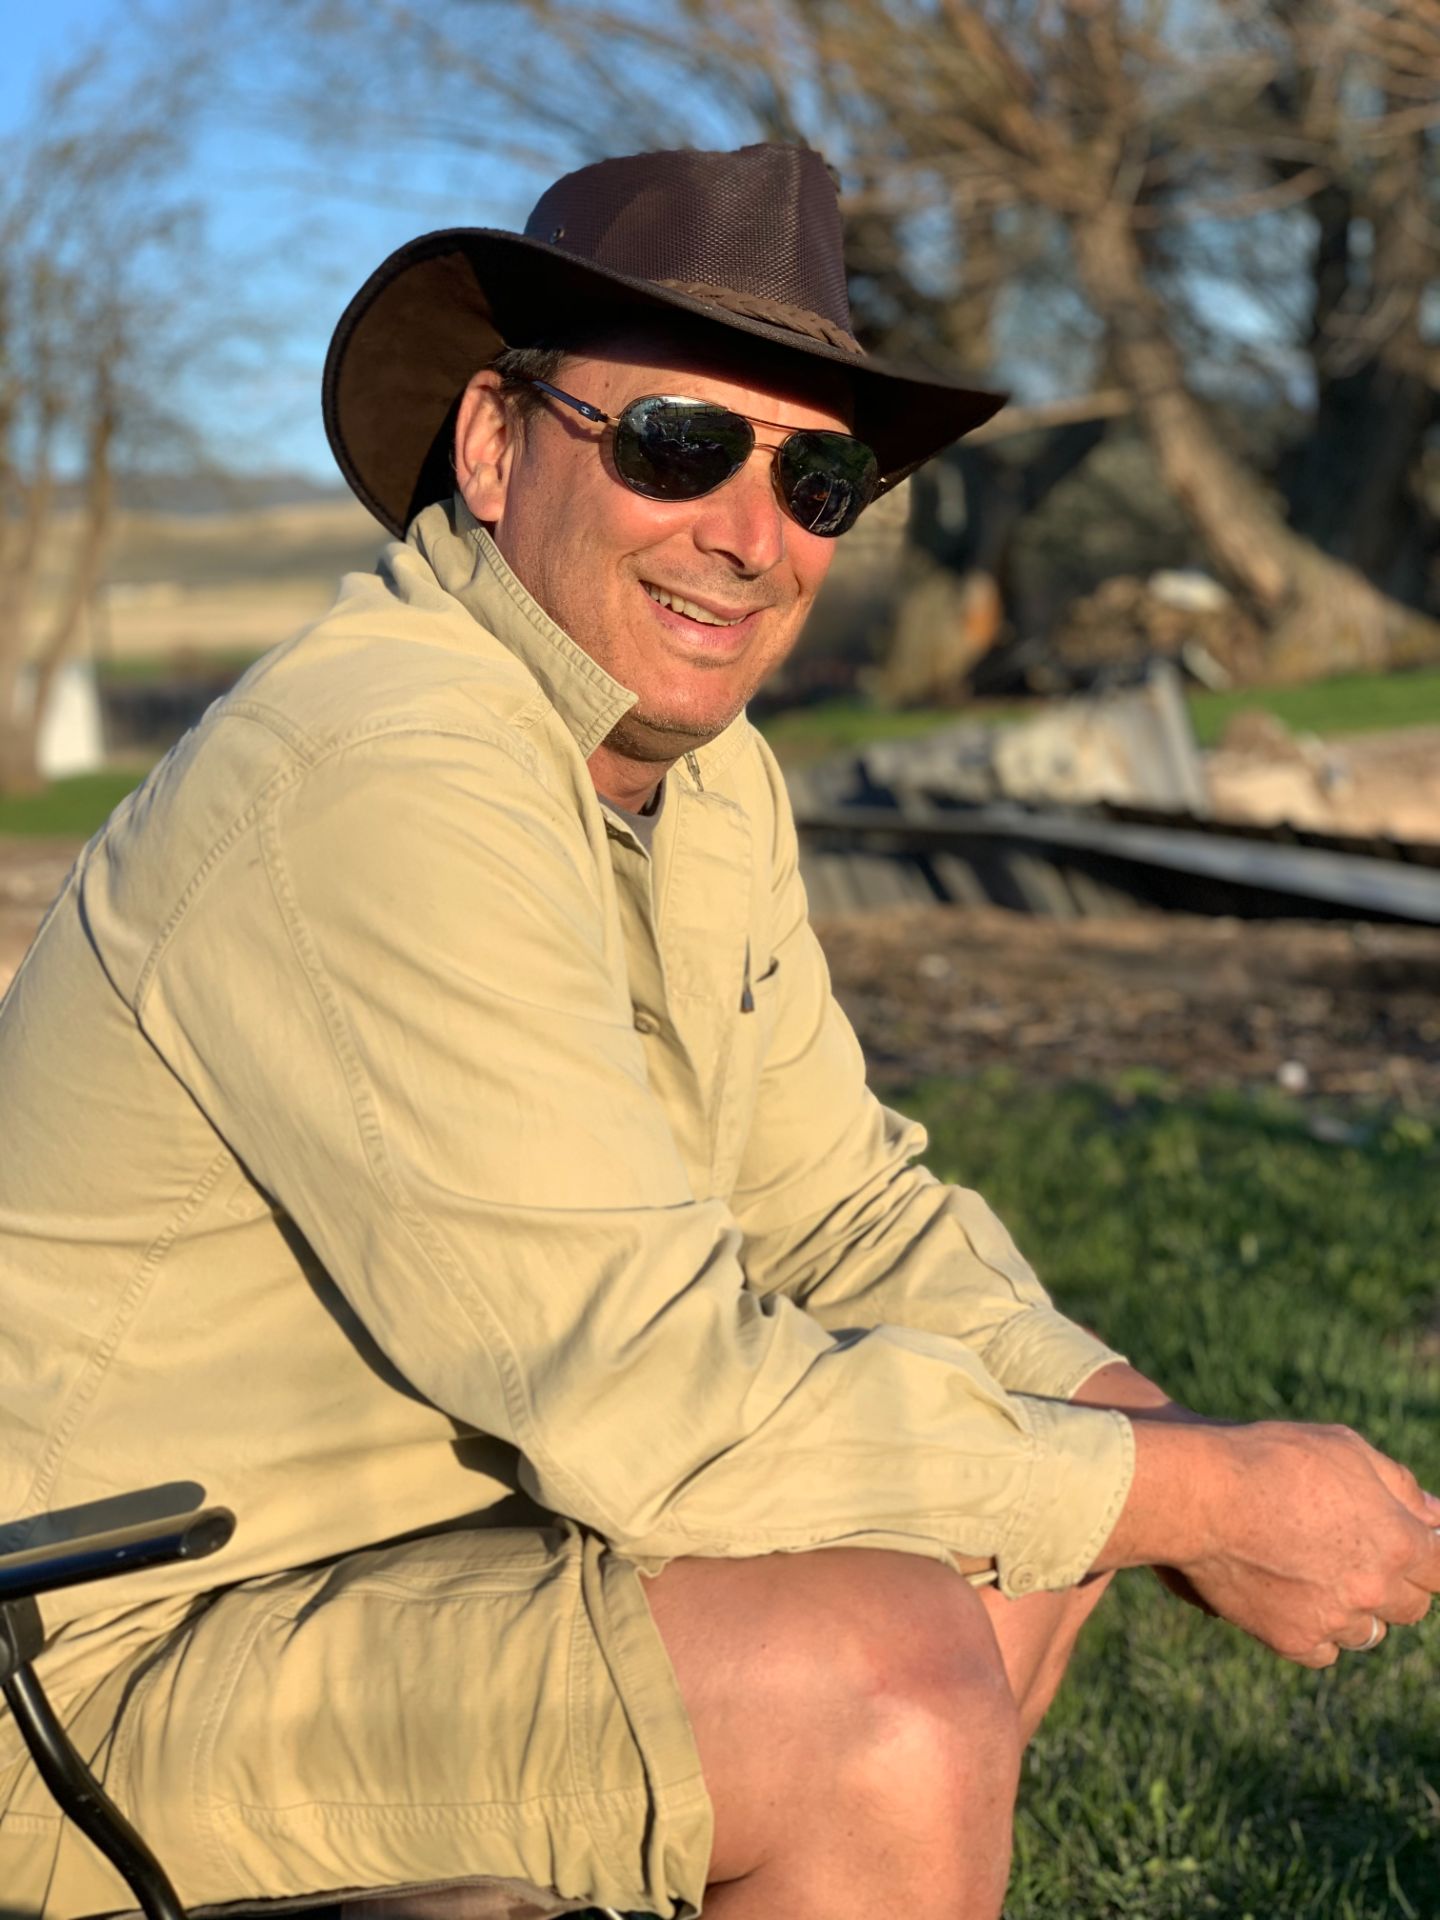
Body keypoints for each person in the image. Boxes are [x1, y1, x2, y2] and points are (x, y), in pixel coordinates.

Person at [1, 142, 1436, 1920]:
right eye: (682, 445)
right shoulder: (390, 771)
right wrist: (1205, 1502)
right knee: (883, 1700)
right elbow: (657, 1406)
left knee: (1026, 1538)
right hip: (93, 1647)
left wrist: (1166, 1439)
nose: (752, 538)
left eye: (819, 479)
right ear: (495, 444)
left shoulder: (700, 776)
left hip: (399, 1560)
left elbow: (841, 1218)